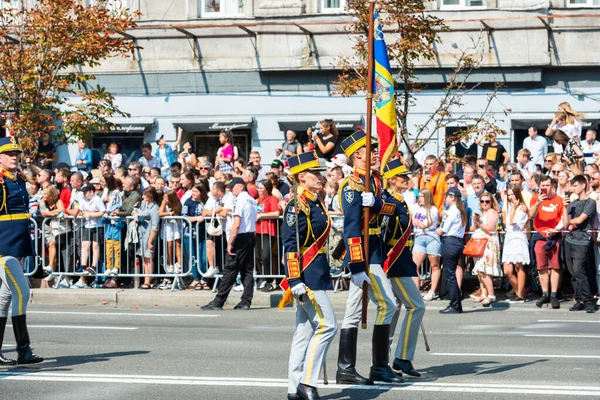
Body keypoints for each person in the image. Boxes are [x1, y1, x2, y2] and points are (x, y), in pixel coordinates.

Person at [336, 130, 400, 385]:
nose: (375, 152)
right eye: (370, 149)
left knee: (355, 311)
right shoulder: (350, 186)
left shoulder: (373, 181)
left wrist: (374, 203)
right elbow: (352, 228)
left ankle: (356, 368)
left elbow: (391, 208)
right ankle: (367, 367)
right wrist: (356, 264)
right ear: (356, 155)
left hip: (374, 249)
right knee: (387, 304)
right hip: (363, 253)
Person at [279, 151, 337, 400]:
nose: (321, 176)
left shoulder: (316, 201)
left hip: (317, 270)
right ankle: (307, 383)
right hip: (306, 274)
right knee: (328, 326)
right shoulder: (296, 206)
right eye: (315, 173)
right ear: (302, 176)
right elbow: (290, 245)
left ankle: (294, 389)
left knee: (303, 332)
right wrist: (294, 279)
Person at [0, 135, 44, 365]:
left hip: (16, 242)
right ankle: (23, 350)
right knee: (22, 293)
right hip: (2, 245)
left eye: (16, 153)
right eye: (8, 154)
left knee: (5, 296)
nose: (14, 157)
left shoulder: (16, 179)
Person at [381, 159, 426, 379]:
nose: (407, 180)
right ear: (391, 180)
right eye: (403, 177)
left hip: (402, 257)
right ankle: (400, 358)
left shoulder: (400, 200)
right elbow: (382, 233)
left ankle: (385, 359)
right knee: (416, 306)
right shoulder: (388, 201)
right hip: (394, 260)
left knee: (395, 310)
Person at [201, 177, 257, 310]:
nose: (231, 190)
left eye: (233, 187)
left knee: (230, 269)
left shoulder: (240, 200)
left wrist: (230, 242)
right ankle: (246, 301)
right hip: (250, 235)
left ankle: (218, 301)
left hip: (240, 237)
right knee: (247, 270)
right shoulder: (251, 200)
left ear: (241, 186)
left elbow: (236, 224)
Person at [529, 176, 565, 309]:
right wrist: (538, 202)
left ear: (553, 186)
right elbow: (531, 215)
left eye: (547, 185)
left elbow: (563, 218)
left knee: (555, 266)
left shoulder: (559, 200)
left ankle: (554, 294)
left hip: (554, 236)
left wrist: (556, 229)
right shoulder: (535, 198)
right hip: (540, 236)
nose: (544, 188)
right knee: (541, 267)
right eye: (542, 185)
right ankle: (545, 293)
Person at [563, 175, 596, 313]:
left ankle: (588, 300)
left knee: (579, 270)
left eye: (575, 185)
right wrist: (565, 208)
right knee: (572, 272)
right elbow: (566, 223)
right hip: (569, 239)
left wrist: (571, 222)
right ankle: (579, 299)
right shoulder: (572, 204)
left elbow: (579, 220)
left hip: (582, 240)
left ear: (583, 185)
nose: (573, 188)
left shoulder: (590, 202)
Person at [436, 187, 467, 314]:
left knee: (450, 275)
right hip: (458, 242)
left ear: (453, 197)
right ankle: (456, 304)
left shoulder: (451, 211)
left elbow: (442, 229)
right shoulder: (461, 211)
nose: (445, 199)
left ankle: (454, 304)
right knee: (451, 273)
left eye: (447, 196)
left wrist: (435, 231)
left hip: (450, 242)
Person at [470, 192, 502, 307]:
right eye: (482, 201)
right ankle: (484, 293)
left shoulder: (492, 212)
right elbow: (472, 229)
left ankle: (491, 294)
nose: (484, 203)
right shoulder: (482, 213)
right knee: (479, 270)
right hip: (479, 243)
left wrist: (479, 222)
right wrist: (475, 222)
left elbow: (490, 229)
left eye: (487, 201)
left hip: (488, 243)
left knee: (484, 270)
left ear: (491, 202)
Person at [502, 186, 530, 302]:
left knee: (519, 266)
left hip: (518, 238)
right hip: (509, 238)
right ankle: (520, 291)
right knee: (507, 270)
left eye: (512, 194)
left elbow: (513, 222)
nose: (510, 197)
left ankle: (519, 294)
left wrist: (514, 208)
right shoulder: (509, 207)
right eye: (508, 195)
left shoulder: (522, 208)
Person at [412, 188, 441, 301]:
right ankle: (415, 291)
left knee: (434, 266)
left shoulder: (433, 209)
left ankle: (432, 291)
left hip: (431, 237)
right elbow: (410, 216)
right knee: (414, 265)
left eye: (422, 196)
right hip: (419, 237)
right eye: (419, 196)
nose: (420, 199)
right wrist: (414, 219)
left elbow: (426, 224)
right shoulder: (416, 207)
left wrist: (415, 220)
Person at [255, 179, 281, 292]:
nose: (259, 190)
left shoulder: (272, 198)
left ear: (267, 189)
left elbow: (276, 213)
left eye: (261, 188)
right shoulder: (258, 200)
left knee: (266, 256)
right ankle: (265, 278)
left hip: (268, 230)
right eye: (258, 188)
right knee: (258, 256)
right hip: (257, 230)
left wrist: (262, 216)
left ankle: (270, 280)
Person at [132, 187, 160, 290]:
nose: (142, 196)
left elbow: (155, 226)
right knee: (144, 258)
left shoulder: (154, 208)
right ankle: (144, 279)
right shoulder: (143, 204)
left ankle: (148, 281)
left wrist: (150, 241)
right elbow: (135, 210)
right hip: (141, 234)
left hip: (149, 234)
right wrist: (135, 214)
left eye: (145, 194)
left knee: (148, 258)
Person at [159, 190, 183, 275]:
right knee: (169, 244)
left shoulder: (177, 203)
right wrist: (170, 213)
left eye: (166, 198)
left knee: (177, 243)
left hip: (176, 224)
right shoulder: (164, 202)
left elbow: (177, 212)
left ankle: (179, 264)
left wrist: (172, 213)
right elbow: (160, 213)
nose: (165, 199)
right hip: (168, 225)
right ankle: (170, 264)